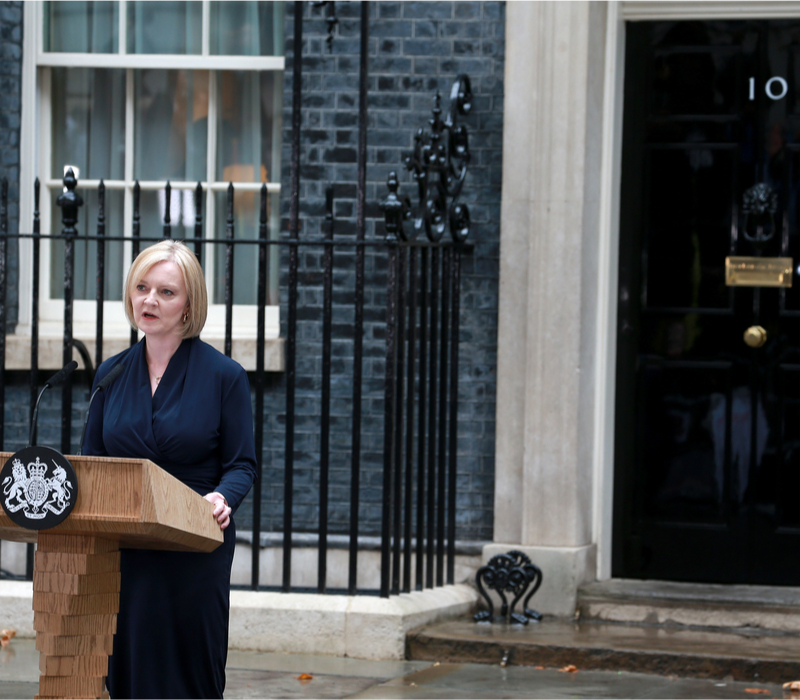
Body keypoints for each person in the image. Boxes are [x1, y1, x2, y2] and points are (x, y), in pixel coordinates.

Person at [82, 239, 258, 699]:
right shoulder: (110, 375)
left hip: (194, 542)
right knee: (130, 667)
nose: (149, 301)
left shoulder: (225, 376)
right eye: (142, 287)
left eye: (165, 292)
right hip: (129, 547)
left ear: (188, 305)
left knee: (189, 672)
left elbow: (242, 464)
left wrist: (222, 498)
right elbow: (91, 465)